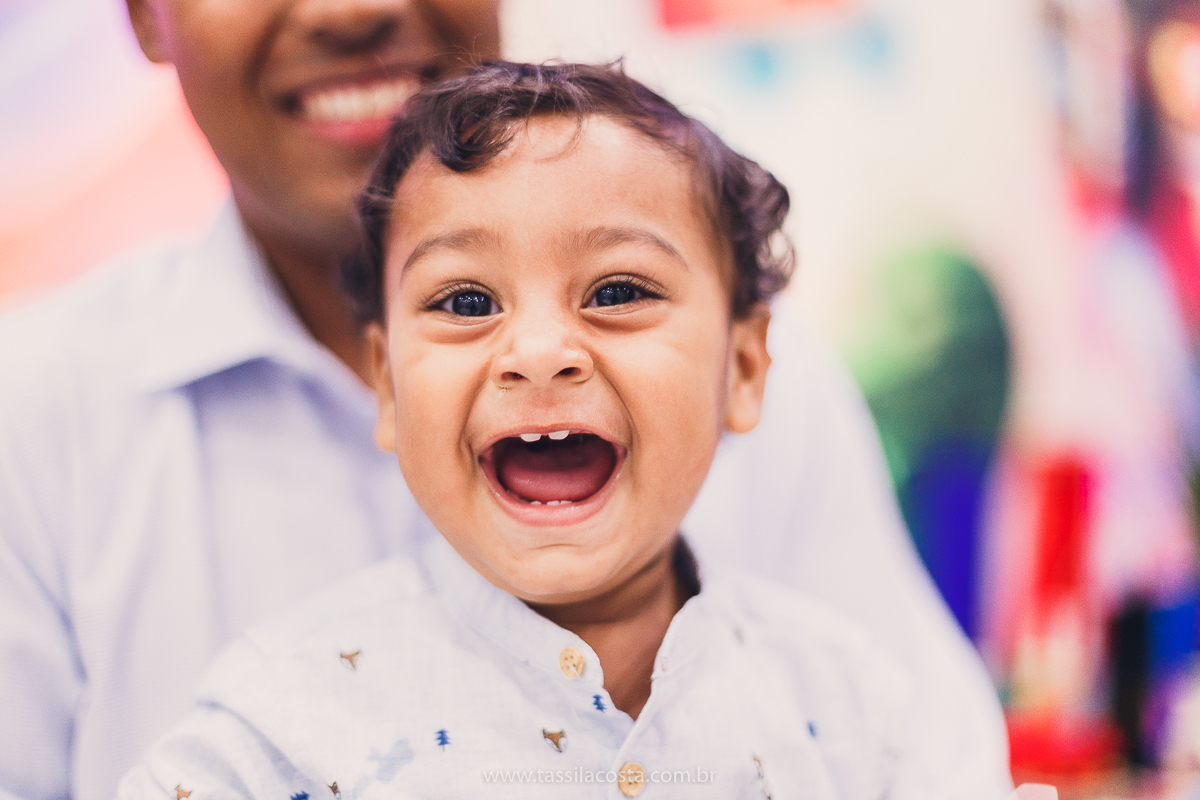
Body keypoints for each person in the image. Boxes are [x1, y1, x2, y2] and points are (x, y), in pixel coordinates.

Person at [0, 2, 1009, 799]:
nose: (538, 352)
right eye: (467, 301)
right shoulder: (272, 714)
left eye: (616, 291)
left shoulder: (839, 691)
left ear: (745, 366)